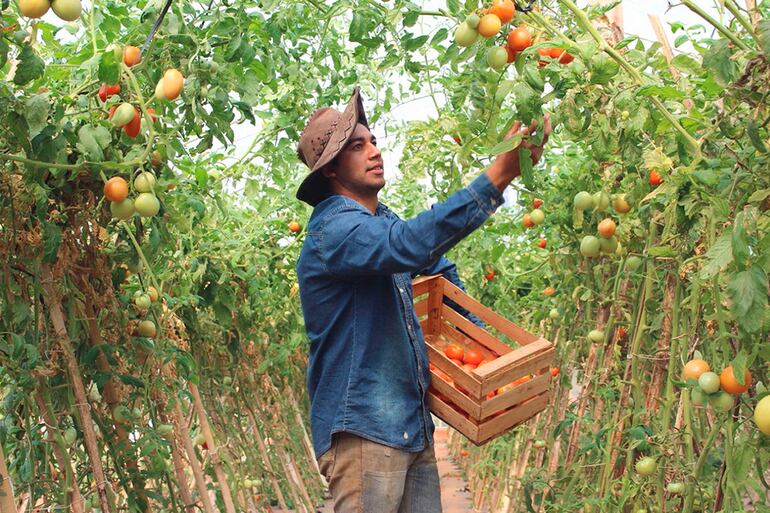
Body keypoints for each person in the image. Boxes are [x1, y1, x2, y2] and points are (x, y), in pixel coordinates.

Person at [294, 87, 550, 513]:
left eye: (372, 140)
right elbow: (411, 245)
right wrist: (498, 176)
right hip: (364, 432)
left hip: (411, 425)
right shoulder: (336, 232)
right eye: (357, 147)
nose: (374, 151)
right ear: (332, 173)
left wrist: (484, 349)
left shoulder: (380, 219)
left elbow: (436, 266)